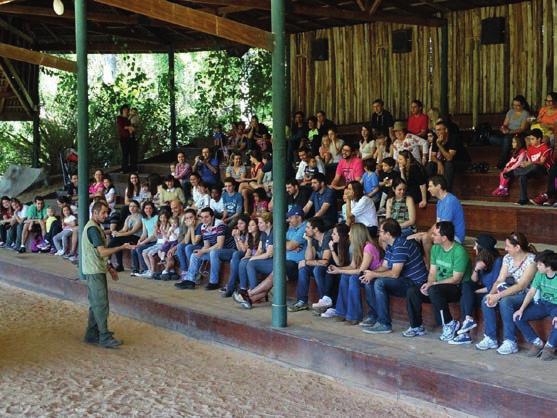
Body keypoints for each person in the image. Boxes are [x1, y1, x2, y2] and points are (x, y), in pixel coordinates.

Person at [405, 221, 472, 340]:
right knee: (412, 291)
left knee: (435, 290)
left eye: (435, 235)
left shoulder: (459, 251)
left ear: (444, 238)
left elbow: (456, 279)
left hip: (456, 288)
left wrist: (434, 284)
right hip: (437, 286)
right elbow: (432, 272)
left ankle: (449, 323)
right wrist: (429, 283)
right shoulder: (436, 248)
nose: (431, 236)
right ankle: (416, 326)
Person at [359, 219, 428, 334]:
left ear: (388, 234)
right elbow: (385, 266)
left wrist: (374, 274)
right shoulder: (392, 246)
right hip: (404, 280)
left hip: (415, 283)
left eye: (381, 231)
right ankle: (376, 316)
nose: (379, 234)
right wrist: (370, 274)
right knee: (370, 281)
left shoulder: (401, 245)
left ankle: (384, 324)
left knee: (379, 282)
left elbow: (395, 273)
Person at [82, 200, 135, 348]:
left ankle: (92, 334)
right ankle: (104, 336)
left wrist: (109, 266)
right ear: (95, 213)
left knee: (95, 303)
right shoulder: (93, 229)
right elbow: (102, 252)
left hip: (95, 269)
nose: (106, 215)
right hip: (94, 270)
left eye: (106, 212)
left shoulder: (94, 227)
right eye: (103, 213)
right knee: (101, 304)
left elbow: (100, 253)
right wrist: (122, 246)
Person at [476, 232, 536, 355]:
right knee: (485, 300)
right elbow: (499, 279)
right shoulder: (507, 258)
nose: (505, 248)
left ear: (517, 247)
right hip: (508, 290)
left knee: (505, 301)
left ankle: (510, 341)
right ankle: (490, 337)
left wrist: (498, 296)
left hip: (526, 294)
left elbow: (521, 286)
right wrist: (491, 294)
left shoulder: (532, 260)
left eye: (508, 246)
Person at [448, 234, 502, 345]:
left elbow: (495, 286)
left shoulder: (498, 261)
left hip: (493, 293)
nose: (473, 248)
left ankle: (465, 334)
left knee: (466, 296)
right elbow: (473, 281)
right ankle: (468, 320)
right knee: (466, 286)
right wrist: (477, 269)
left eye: (475, 245)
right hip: (482, 291)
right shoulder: (481, 259)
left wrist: (475, 292)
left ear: (482, 248)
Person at [327, 223, 382, 325]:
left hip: (375, 276)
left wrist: (339, 270)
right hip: (365, 275)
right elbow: (352, 266)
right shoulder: (356, 246)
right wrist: (338, 268)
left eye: (350, 232)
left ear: (356, 234)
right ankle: (342, 312)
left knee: (352, 278)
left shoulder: (368, 247)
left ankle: (354, 316)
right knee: (345, 276)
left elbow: (360, 270)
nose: (348, 233)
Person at [408, 175, 465, 263]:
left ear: (438, 186)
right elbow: (438, 224)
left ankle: (431, 267)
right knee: (413, 237)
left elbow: (443, 226)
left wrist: (427, 235)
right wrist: (424, 233)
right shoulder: (440, 201)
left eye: (430, 186)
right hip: (443, 232)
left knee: (425, 238)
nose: (428, 189)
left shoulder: (450, 201)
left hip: (454, 236)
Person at [175, 207, 234, 290]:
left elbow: (219, 245)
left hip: (229, 250)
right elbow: (207, 245)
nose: (204, 219)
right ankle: (190, 280)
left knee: (214, 252)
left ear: (212, 217)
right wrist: (201, 251)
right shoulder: (203, 227)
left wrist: (203, 251)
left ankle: (214, 282)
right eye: (202, 217)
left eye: (206, 217)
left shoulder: (219, 224)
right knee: (195, 255)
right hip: (216, 251)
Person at [513, 251, 557, 361]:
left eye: (540, 264)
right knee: (518, 317)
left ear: (549, 266)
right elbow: (531, 292)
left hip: (555, 306)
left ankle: (550, 347)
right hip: (542, 304)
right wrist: (521, 309)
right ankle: (537, 343)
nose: (537, 266)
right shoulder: (539, 274)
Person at [290, 217, 332, 312]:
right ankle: (302, 301)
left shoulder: (326, 237)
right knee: (304, 268)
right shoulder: (313, 239)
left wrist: (306, 262)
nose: (305, 229)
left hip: (332, 268)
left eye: (308, 227)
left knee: (317, 269)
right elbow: (308, 258)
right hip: (321, 267)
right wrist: (308, 241)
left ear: (316, 229)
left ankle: (323, 302)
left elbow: (325, 262)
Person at [427, 120, 471, 192]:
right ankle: (429, 191)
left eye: (439, 130)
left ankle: (446, 192)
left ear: (446, 130)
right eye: (436, 130)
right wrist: (439, 163)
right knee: (431, 164)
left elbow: (449, 157)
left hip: (462, 162)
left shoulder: (453, 138)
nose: (437, 132)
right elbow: (432, 156)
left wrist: (439, 145)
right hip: (446, 162)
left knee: (448, 164)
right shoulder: (436, 138)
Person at [512, 129, 553, 206]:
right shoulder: (530, 149)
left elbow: (541, 163)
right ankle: (523, 198)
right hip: (533, 170)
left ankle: (514, 172)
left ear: (539, 139)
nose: (530, 141)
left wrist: (530, 163)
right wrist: (525, 164)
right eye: (530, 139)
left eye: (532, 139)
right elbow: (529, 163)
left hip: (544, 170)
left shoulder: (545, 148)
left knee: (535, 166)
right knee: (522, 176)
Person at [489, 95, 531, 169]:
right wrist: (503, 128)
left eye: (517, 105)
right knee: (492, 138)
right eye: (513, 105)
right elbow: (505, 124)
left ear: (523, 105)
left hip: (518, 134)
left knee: (507, 140)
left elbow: (522, 129)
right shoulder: (510, 112)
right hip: (508, 134)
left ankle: (501, 164)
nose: (515, 107)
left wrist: (510, 132)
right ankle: (508, 145)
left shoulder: (525, 114)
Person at [217, 215, 251, 297]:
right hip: (242, 253)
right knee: (233, 259)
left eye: (241, 223)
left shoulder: (249, 233)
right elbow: (239, 249)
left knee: (235, 255)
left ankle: (230, 287)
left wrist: (238, 237)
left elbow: (244, 250)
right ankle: (231, 286)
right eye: (238, 223)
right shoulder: (241, 232)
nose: (239, 225)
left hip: (250, 254)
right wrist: (236, 237)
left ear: (246, 224)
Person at [107, 200, 143, 271]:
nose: (131, 208)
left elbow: (132, 231)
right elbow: (124, 229)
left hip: (136, 238)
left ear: (138, 208)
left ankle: (108, 260)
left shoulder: (140, 217)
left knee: (116, 240)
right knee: (116, 241)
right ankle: (119, 265)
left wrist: (119, 234)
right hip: (128, 236)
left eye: (134, 206)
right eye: (130, 206)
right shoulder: (129, 217)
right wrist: (116, 233)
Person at [130, 201, 158, 276]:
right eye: (146, 208)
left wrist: (142, 243)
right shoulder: (144, 219)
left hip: (155, 241)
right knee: (134, 248)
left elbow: (154, 235)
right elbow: (144, 233)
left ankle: (145, 269)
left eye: (150, 208)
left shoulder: (156, 217)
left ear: (153, 209)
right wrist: (139, 240)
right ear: (144, 209)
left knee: (139, 249)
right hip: (148, 240)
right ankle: (135, 269)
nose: (148, 210)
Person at [116, 104, 136, 173]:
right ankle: (124, 169)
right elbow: (122, 127)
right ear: (122, 110)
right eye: (125, 110)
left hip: (131, 137)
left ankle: (133, 169)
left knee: (133, 153)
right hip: (124, 138)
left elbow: (133, 126)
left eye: (127, 109)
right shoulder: (119, 118)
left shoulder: (130, 118)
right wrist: (129, 127)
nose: (126, 111)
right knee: (125, 154)